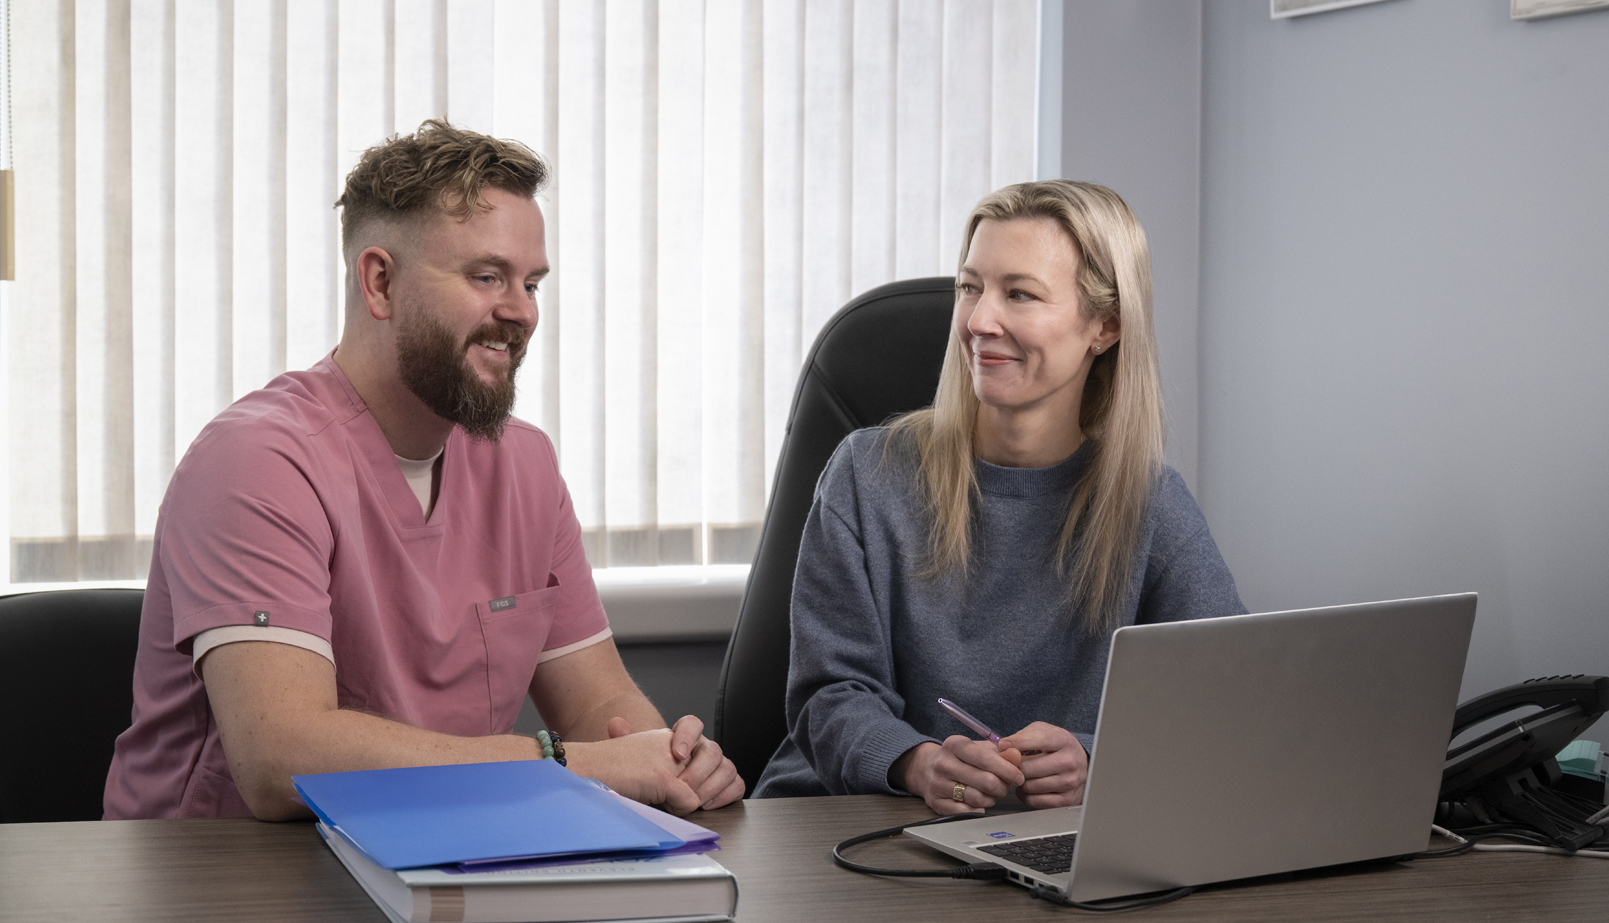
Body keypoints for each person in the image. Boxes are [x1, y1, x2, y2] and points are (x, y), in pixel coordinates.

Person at [103, 120, 743, 821]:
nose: (521, 312)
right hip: (229, 899)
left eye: (532, 283)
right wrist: (574, 765)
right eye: (486, 276)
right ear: (379, 281)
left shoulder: (523, 464)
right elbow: (281, 757)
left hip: (443, 860)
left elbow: (598, 702)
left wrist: (672, 759)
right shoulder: (256, 461)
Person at [753, 180, 1245, 813]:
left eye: (1019, 294)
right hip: (854, 822)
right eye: (970, 288)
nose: (980, 320)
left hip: (1042, 841)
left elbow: (1225, 699)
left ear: (1105, 326)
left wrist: (1098, 759)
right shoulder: (866, 475)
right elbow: (829, 696)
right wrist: (917, 761)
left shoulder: (1148, 504)